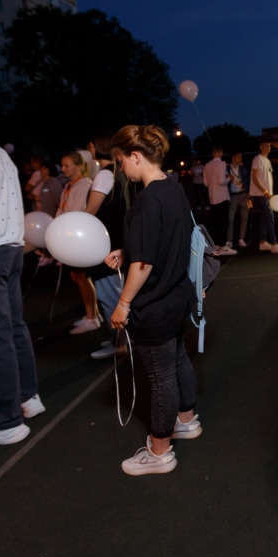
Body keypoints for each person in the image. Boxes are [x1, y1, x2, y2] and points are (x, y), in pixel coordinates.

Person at [106, 124, 201, 475]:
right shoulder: (173, 189)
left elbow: (145, 263)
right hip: (176, 296)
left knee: (159, 377)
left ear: (135, 156)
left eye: (121, 161)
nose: (121, 169)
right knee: (177, 361)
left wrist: (123, 303)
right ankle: (187, 421)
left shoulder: (147, 199)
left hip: (154, 302)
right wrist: (126, 250)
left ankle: (159, 453)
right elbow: (163, 241)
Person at [0, 115, 44, 451]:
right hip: (11, 247)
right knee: (13, 327)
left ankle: (6, 422)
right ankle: (27, 397)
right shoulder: (1, 155)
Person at [85, 134, 130, 360]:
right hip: (115, 241)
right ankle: (118, 339)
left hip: (105, 245)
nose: (88, 147)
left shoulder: (104, 174)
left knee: (110, 295)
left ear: (98, 146)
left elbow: (90, 212)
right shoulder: (118, 171)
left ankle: (121, 343)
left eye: (91, 143)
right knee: (115, 292)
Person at [57, 152, 99, 334]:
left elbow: (76, 211)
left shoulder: (85, 184)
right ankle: (91, 315)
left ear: (78, 166)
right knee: (77, 277)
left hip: (76, 236)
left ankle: (92, 318)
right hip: (67, 234)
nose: (63, 169)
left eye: (67, 165)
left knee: (81, 276)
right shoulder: (69, 184)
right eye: (62, 165)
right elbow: (62, 208)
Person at [250, 141, 278, 253]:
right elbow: (254, 177)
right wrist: (264, 191)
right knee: (270, 217)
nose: (267, 148)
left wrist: (268, 192)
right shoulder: (257, 159)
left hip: (266, 195)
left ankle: (263, 242)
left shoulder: (267, 160)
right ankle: (274, 244)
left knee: (264, 218)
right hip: (260, 195)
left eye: (269, 146)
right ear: (260, 146)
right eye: (265, 145)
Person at [203, 145, 235, 254]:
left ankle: (216, 245)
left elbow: (206, 183)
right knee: (223, 221)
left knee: (215, 222)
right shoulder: (221, 164)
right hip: (222, 197)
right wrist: (229, 178)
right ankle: (223, 246)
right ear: (221, 152)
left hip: (212, 197)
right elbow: (222, 181)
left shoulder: (207, 165)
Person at [224, 151, 249, 249]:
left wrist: (247, 191)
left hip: (243, 195)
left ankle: (241, 239)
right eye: (239, 157)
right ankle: (229, 240)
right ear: (233, 157)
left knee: (244, 218)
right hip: (232, 196)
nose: (241, 159)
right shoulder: (226, 168)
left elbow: (247, 180)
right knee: (230, 218)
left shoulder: (243, 169)